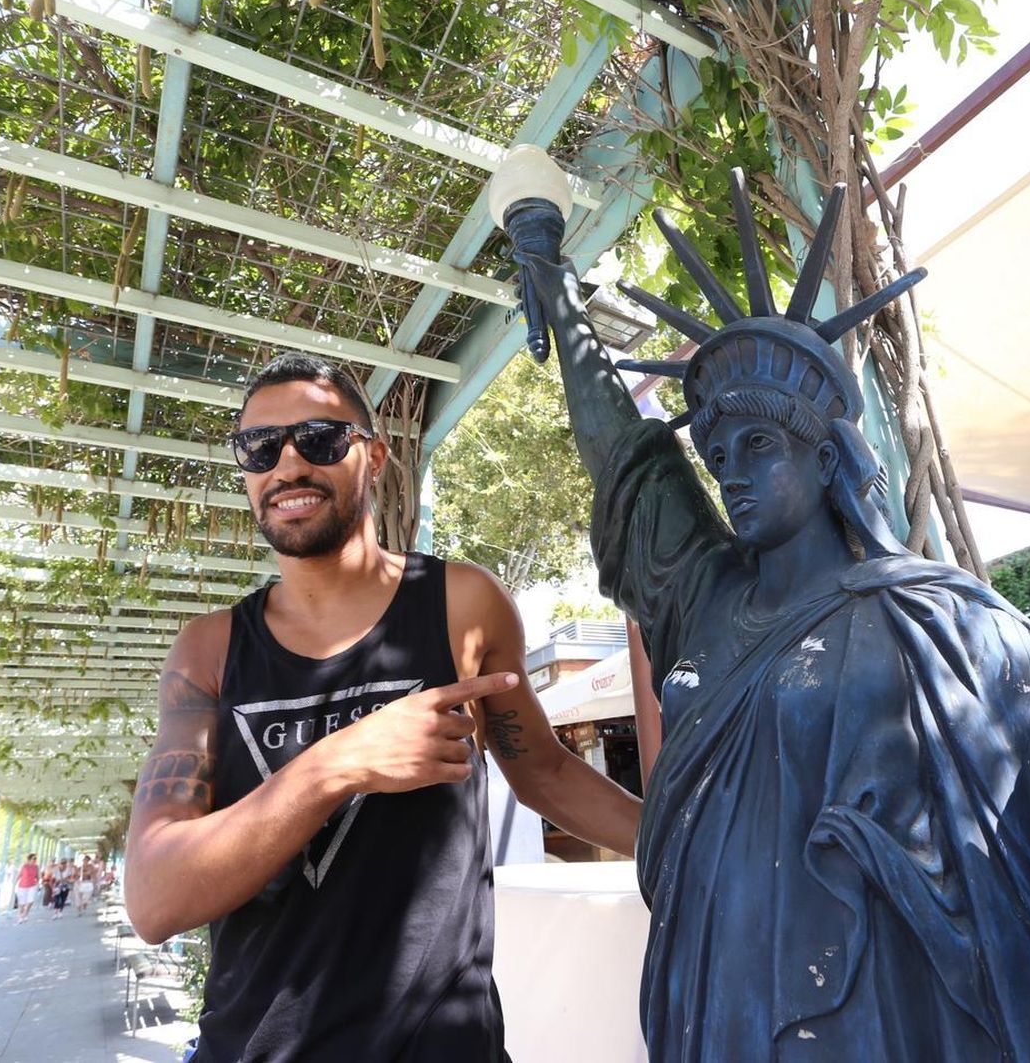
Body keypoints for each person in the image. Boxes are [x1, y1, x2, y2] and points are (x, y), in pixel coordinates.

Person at [497, 164, 1030, 1061]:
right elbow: (623, 451)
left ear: (826, 463)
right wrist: (546, 272)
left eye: (760, 444)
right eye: (718, 450)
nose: (730, 470)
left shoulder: (938, 617)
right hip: (715, 1011)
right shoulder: (701, 600)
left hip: (901, 1023)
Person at [124, 353, 642, 1062]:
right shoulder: (207, 653)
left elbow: (546, 773)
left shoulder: (464, 605)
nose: (287, 464)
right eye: (260, 447)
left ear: (373, 456)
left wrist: (687, 843)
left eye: (320, 439)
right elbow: (156, 897)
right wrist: (341, 763)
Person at [14, 853, 40, 923]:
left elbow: (37, 876)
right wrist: (14, 883)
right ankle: (20, 916)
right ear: (29, 859)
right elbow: (19, 875)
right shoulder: (24, 866)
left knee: (31, 901)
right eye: (33, 859)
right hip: (23, 886)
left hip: (32, 886)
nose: (35, 860)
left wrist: (38, 883)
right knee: (22, 902)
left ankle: (25, 913)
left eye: (35, 859)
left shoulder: (36, 867)